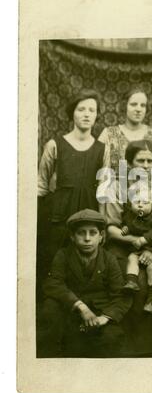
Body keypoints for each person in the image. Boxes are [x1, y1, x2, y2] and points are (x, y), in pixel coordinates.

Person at [104, 140, 152, 356]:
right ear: (129, 163)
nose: (146, 165)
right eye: (140, 160)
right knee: (128, 282)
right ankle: (126, 346)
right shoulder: (118, 188)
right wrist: (137, 243)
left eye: (151, 161)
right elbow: (111, 229)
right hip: (123, 246)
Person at [37, 209, 132, 358]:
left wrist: (105, 318)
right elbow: (53, 284)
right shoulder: (63, 255)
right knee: (50, 313)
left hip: (99, 313)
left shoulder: (109, 259)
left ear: (101, 236)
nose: (87, 238)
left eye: (93, 233)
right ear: (72, 237)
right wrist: (80, 307)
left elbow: (120, 295)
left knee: (112, 339)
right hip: (70, 310)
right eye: (81, 233)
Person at [37, 89, 106, 272]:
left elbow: (105, 191)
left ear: (97, 115)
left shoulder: (102, 150)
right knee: (55, 265)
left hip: (89, 213)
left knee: (86, 267)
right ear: (72, 113)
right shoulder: (55, 145)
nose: (86, 114)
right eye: (81, 109)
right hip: (59, 217)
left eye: (92, 110)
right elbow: (41, 186)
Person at [98, 87, 152, 172]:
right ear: (125, 106)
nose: (138, 109)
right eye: (133, 104)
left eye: (142, 105)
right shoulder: (108, 134)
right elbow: (99, 167)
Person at [120, 190, 152, 313]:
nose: (140, 205)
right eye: (137, 202)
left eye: (145, 203)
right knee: (131, 258)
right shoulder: (131, 216)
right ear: (131, 204)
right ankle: (132, 281)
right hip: (138, 250)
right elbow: (128, 224)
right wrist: (126, 228)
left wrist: (144, 239)